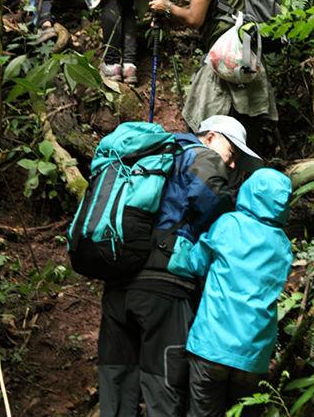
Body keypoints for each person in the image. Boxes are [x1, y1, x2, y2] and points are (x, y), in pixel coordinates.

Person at [97, 114, 265, 417]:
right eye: (232, 153)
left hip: (118, 274)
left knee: (116, 380)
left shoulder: (153, 157)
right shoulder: (200, 154)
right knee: (163, 381)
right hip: (163, 284)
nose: (231, 164)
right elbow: (210, 198)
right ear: (211, 136)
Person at [148, 0, 278, 154]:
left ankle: (231, 172)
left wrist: (168, 8)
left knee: (207, 116)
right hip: (234, 50)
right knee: (236, 114)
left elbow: (195, 18)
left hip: (232, 50)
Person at [185, 168, 293, 417]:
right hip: (254, 355)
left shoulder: (229, 224)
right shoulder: (283, 245)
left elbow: (197, 264)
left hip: (213, 344)